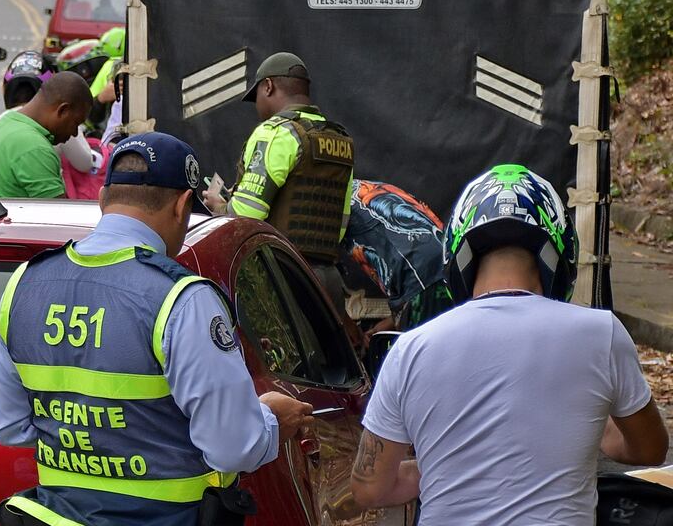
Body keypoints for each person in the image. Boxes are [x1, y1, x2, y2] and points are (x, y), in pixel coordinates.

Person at [0, 132, 314, 526]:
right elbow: (233, 449)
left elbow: (10, 427)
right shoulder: (181, 299)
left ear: (102, 200)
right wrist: (272, 421)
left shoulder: (24, 283)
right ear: (182, 206)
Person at [351, 165, 669, 525]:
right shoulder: (601, 334)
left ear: (459, 256)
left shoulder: (410, 349)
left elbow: (368, 489)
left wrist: (451, 468)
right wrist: (584, 433)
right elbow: (650, 448)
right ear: (557, 255)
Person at [203, 51, 354, 310]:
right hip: (328, 283)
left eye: (257, 97)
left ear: (268, 86)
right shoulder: (339, 139)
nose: (258, 107)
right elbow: (341, 224)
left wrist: (219, 206)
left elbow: (246, 215)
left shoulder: (274, 134)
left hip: (281, 277)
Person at [338, 179, 455, 332]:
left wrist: (346, 327)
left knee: (422, 350)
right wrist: (392, 321)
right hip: (448, 265)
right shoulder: (360, 186)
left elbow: (322, 274)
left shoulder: (332, 200)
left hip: (421, 277)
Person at [0, 72, 92, 199]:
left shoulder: (0, 126)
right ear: (62, 110)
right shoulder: (35, 147)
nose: (74, 133)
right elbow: (58, 214)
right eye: (75, 123)